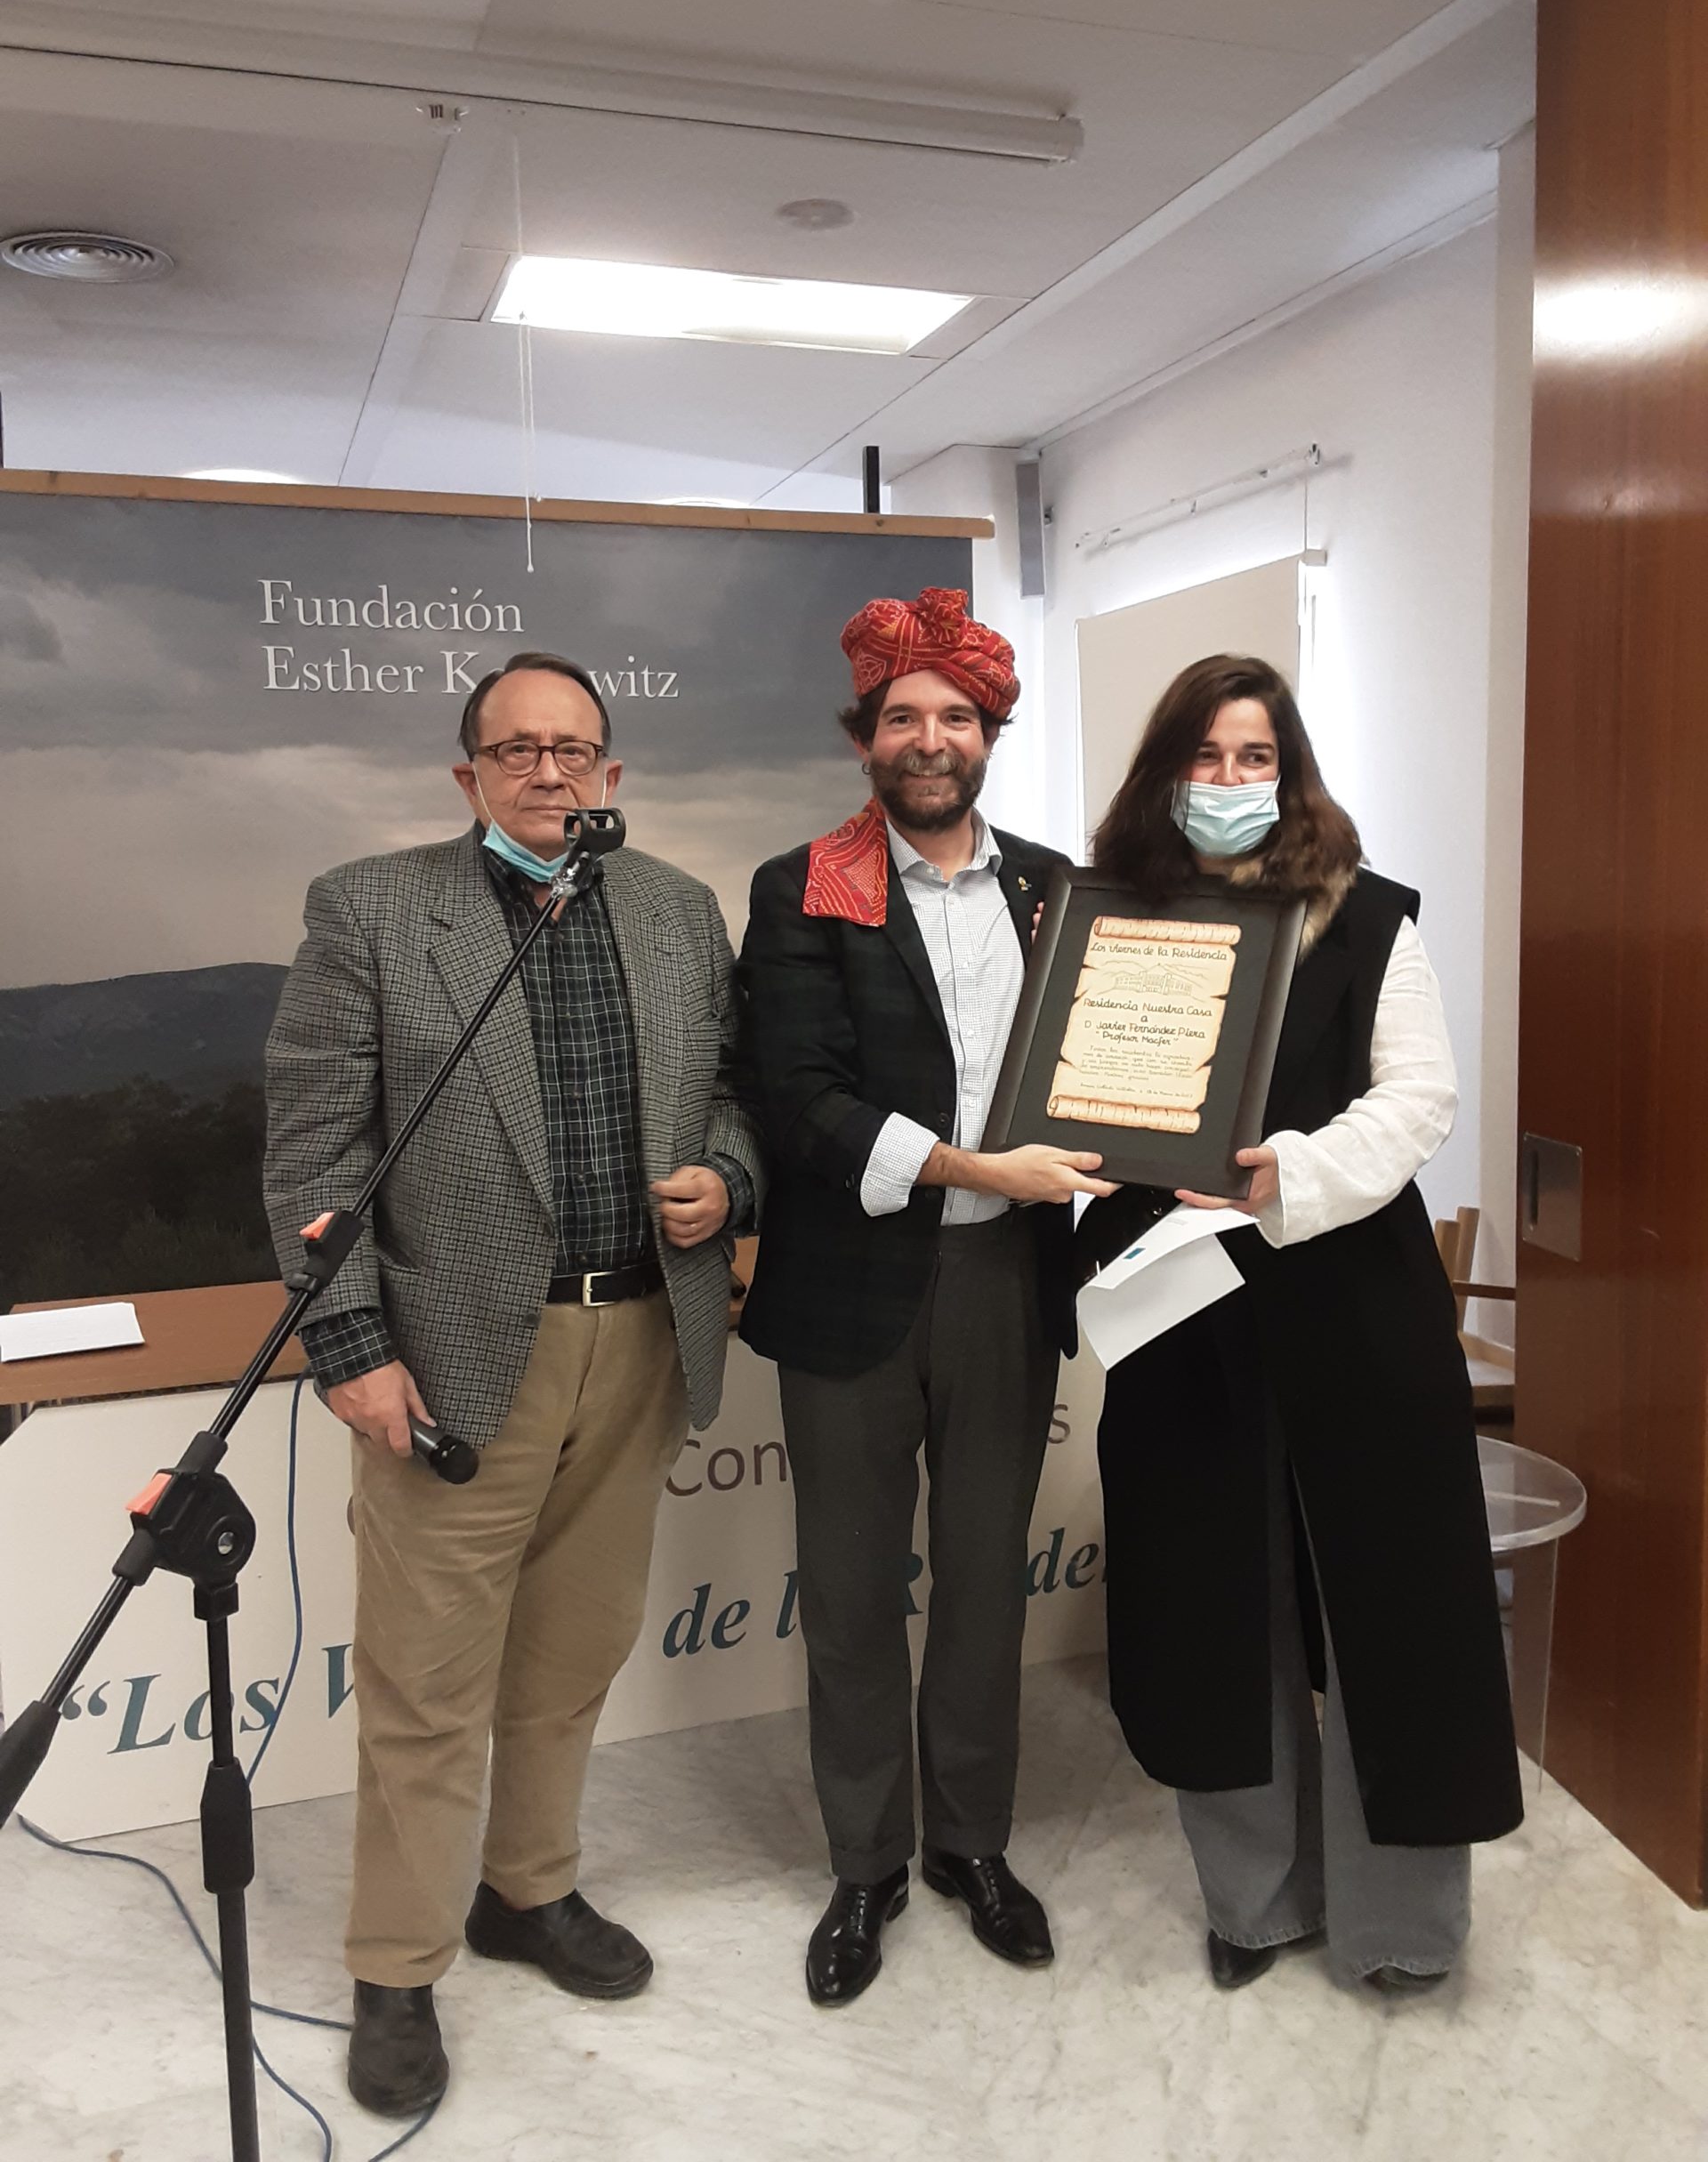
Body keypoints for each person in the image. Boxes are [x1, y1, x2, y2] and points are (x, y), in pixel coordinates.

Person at [263, 650, 761, 2116]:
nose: (550, 772)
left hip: (642, 1338)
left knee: (571, 1658)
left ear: (612, 773)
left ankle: (526, 1893)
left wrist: (725, 1176)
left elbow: (729, 1086)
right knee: (425, 1685)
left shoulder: (677, 911)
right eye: (516, 749)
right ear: (467, 774)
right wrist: (349, 1345)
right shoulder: (371, 909)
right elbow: (310, 1151)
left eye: (575, 749)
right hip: (458, 1353)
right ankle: (398, 1963)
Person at [1076, 653, 1521, 1997]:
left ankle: (1402, 1928)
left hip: (1348, 1293)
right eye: (1203, 759)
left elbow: (1420, 1100)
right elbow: (1082, 1107)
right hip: (1180, 1309)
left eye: (1253, 758)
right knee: (1215, 1604)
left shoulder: (1373, 919)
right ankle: (1254, 1899)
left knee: (1395, 1607)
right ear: (1165, 774)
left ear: (1292, 772)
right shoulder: (1117, 931)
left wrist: (1296, 1174)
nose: (1227, 784)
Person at [738, 585, 1113, 2006]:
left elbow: (1100, 1074)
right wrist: (977, 1164)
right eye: (905, 716)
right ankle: (866, 1862)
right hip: (851, 1297)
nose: (931, 737)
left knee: (980, 1588)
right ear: (866, 739)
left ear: (990, 731)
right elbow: (799, 1094)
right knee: (846, 1594)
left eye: (957, 715)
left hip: (1009, 1284)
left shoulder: (1053, 885)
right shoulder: (807, 884)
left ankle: (969, 1844)